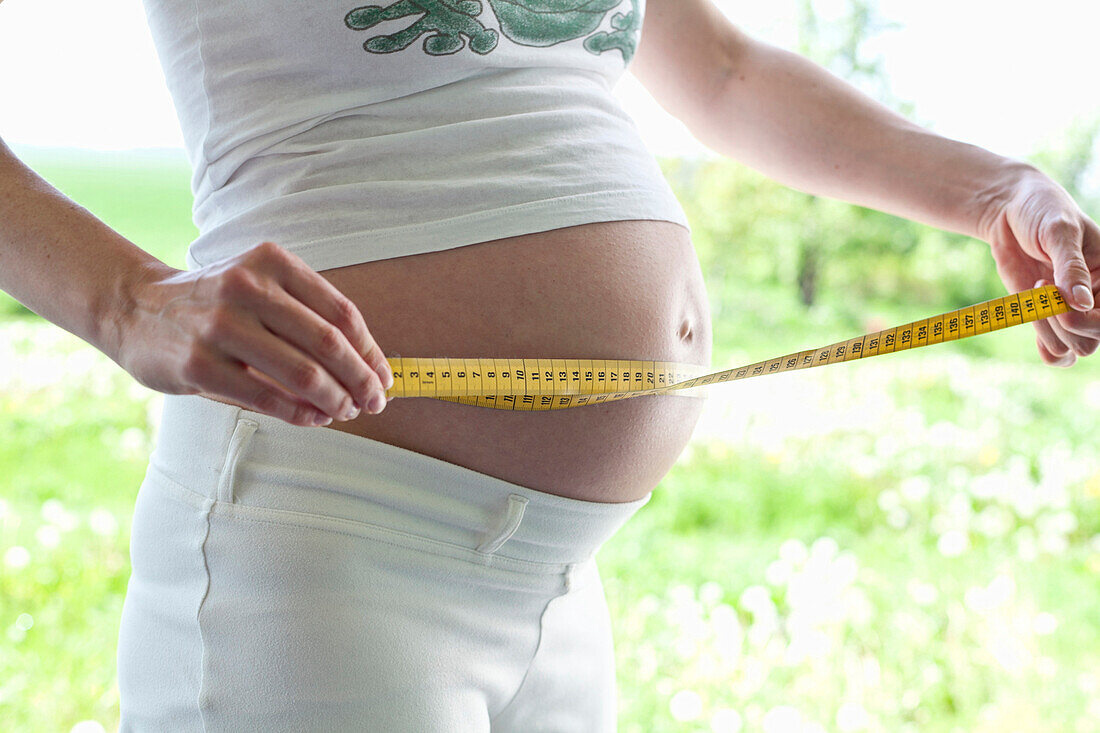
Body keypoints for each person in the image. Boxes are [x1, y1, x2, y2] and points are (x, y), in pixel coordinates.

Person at [1, 0, 1098, 729]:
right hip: (324, 533)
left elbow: (718, 69)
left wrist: (994, 188)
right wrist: (121, 299)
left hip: (556, 582)